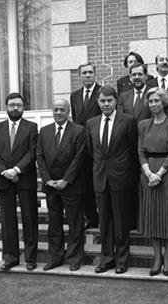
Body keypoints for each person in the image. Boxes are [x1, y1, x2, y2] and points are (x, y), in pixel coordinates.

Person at [86, 85, 138, 274]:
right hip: (100, 178)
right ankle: (107, 258)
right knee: (105, 221)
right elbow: (92, 152)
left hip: (121, 178)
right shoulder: (91, 123)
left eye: (109, 100)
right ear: (98, 102)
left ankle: (122, 260)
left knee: (121, 222)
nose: (106, 104)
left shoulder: (128, 121)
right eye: (102, 101)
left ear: (116, 101)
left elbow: (132, 151)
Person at [0, 92, 38, 271]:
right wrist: (5, 172)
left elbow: (32, 153)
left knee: (29, 219)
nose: (15, 108)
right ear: (6, 107)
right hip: (4, 180)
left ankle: (31, 258)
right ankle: (10, 257)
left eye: (18, 105)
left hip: (25, 178)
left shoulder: (32, 127)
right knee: (7, 220)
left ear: (24, 107)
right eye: (12, 105)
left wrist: (16, 170)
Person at [138, 87, 168, 277]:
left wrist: (160, 174)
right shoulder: (142, 125)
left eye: (157, 101)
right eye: (150, 101)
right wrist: (149, 173)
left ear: (164, 102)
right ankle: (156, 257)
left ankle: (167, 258)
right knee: (153, 217)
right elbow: (140, 151)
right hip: (148, 173)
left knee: (167, 217)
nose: (153, 104)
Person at [36, 99, 86, 271]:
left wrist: (65, 180)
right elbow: (40, 157)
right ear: (52, 111)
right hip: (51, 185)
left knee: (75, 223)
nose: (58, 112)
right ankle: (55, 257)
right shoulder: (44, 131)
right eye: (56, 109)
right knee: (54, 223)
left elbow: (79, 158)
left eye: (62, 110)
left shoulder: (79, 131)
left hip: (71, 184)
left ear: (68, 111)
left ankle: (74, 258)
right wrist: (47, 179)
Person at [70, 62, 100, 230]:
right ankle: (91, 217)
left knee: (99, 182)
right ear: (80, 76)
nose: (87, 75)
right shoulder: (74, 96)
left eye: (90, 72)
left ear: (95, 74)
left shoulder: (102, 92)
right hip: (81, 145)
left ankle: (104, 215)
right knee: (85, 182)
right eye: (84, 73)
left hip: (98, 144)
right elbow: (75, 120)